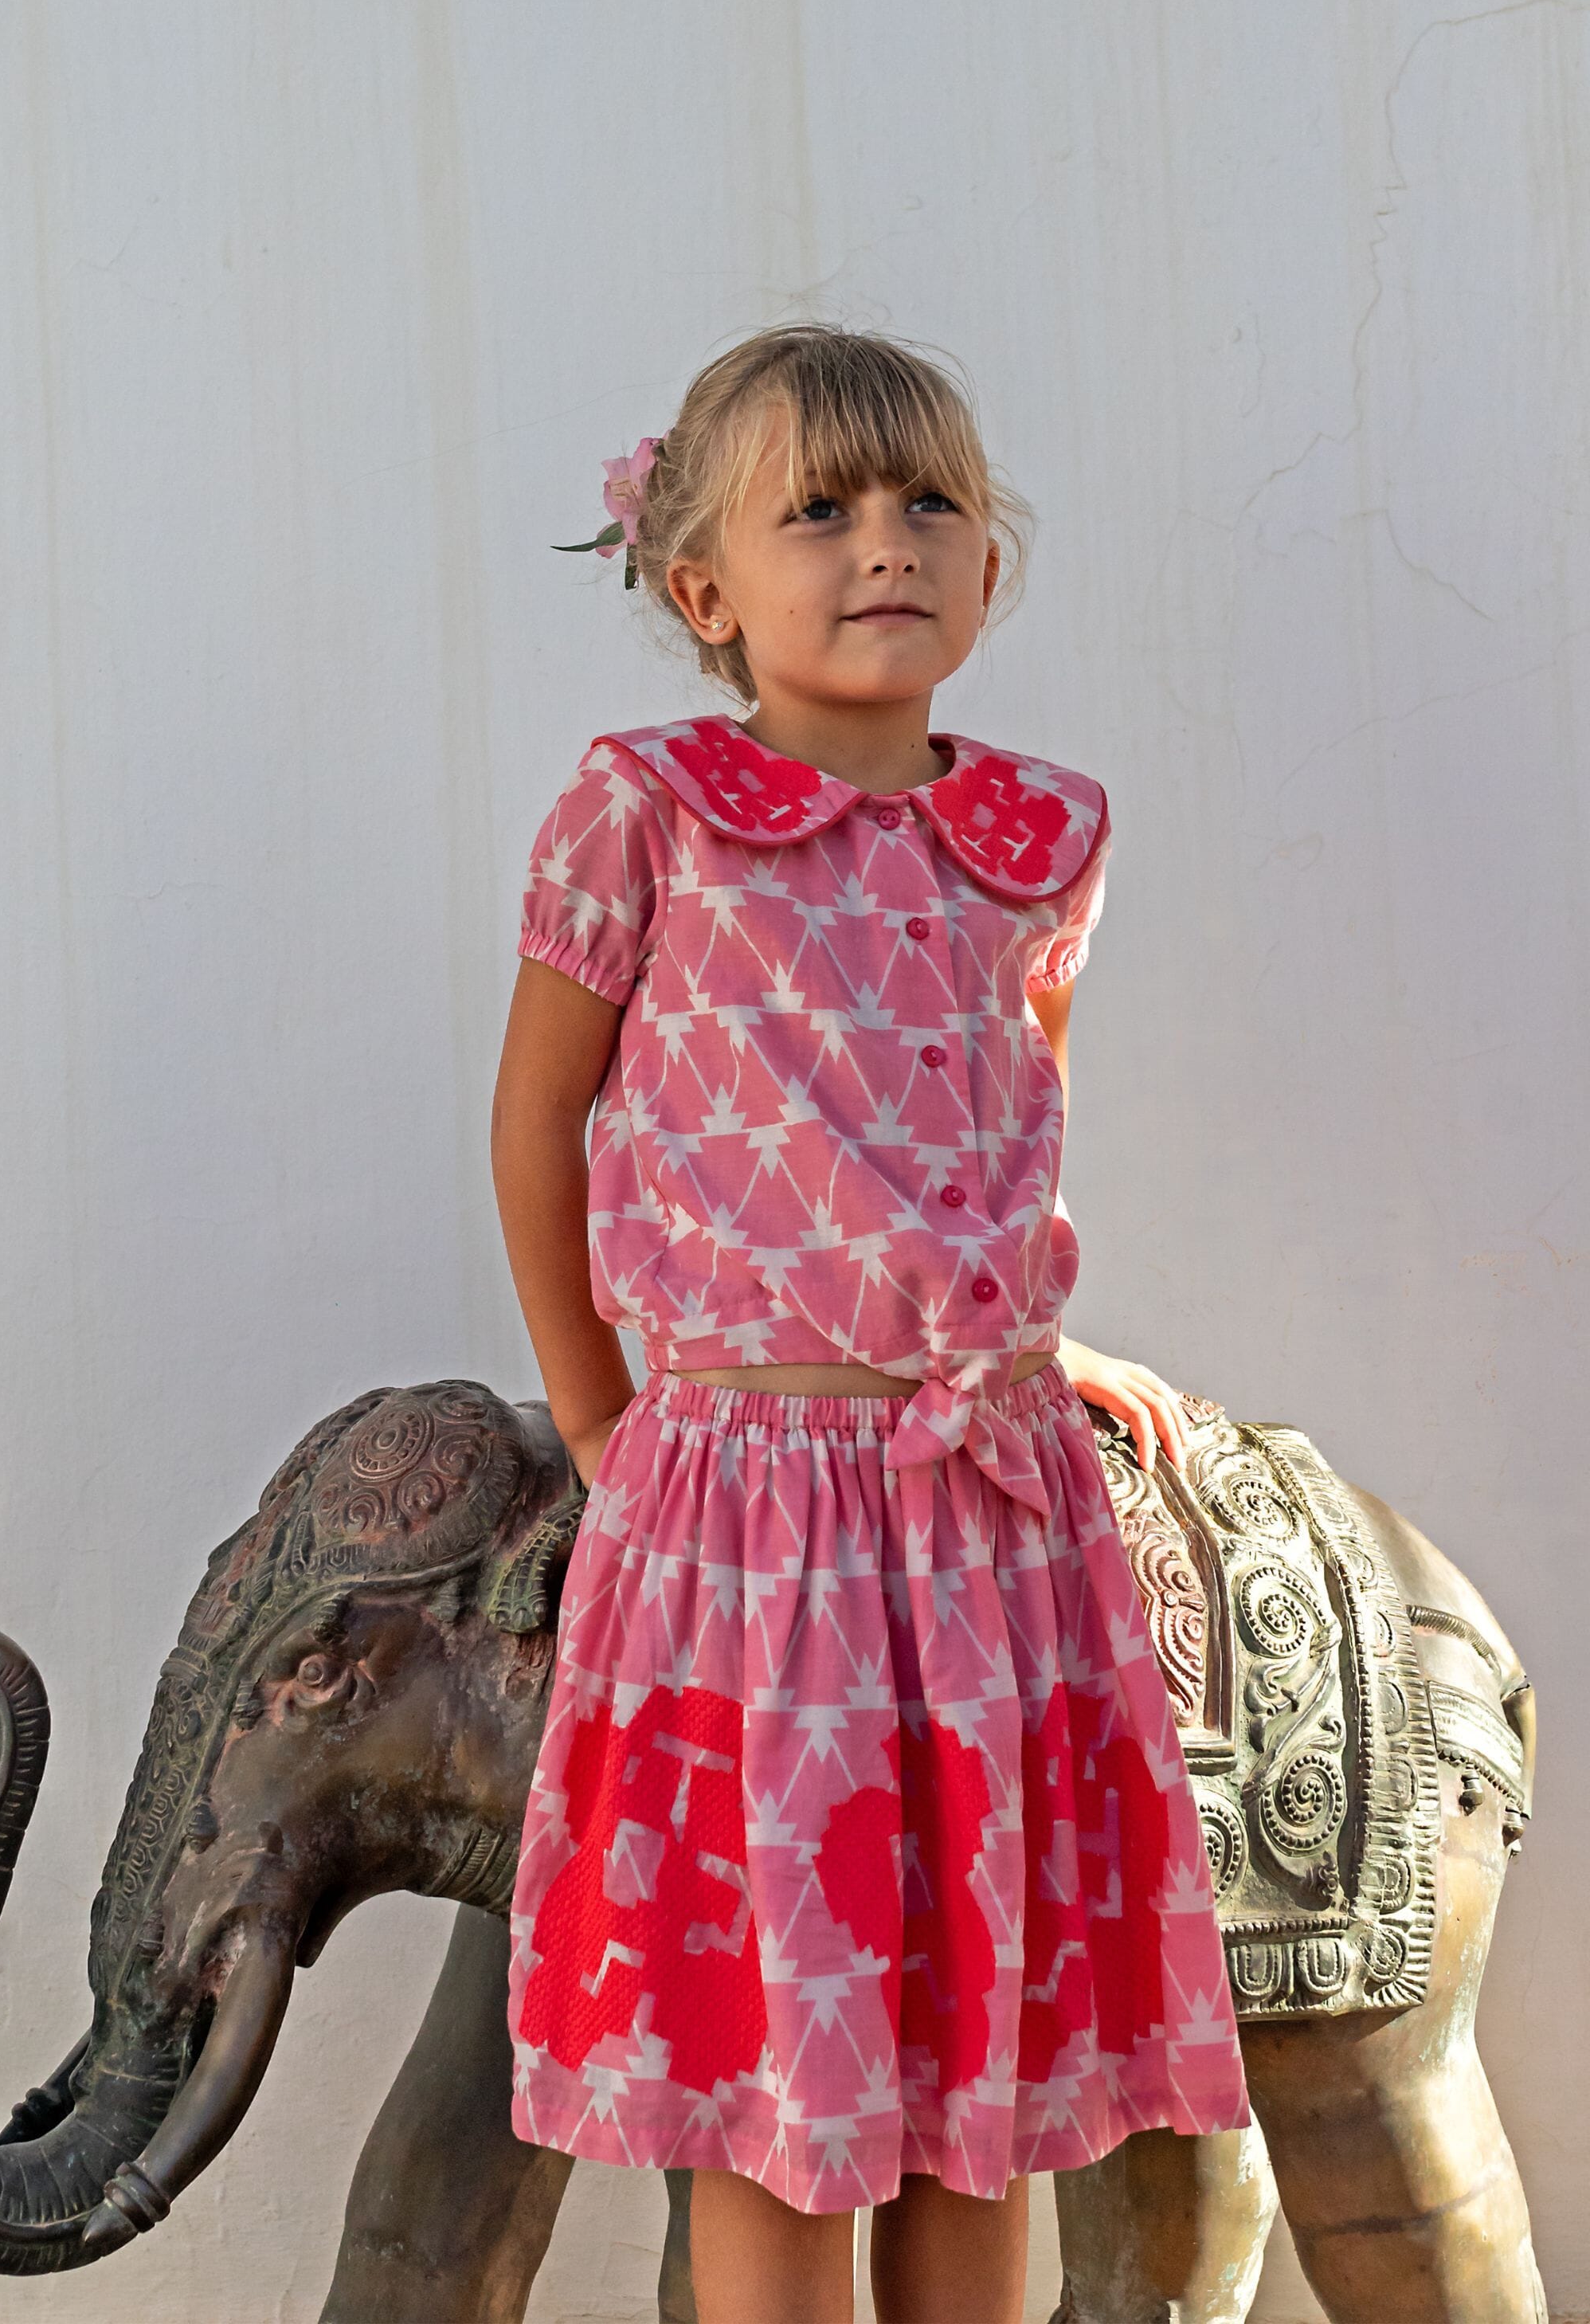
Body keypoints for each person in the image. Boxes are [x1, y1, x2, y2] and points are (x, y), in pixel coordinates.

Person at [491, 324, 1250, 2324]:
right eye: (816, 510)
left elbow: (1009, 1101)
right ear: (704, 590)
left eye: (931, 503)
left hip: (987, 1511)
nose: (884, 542)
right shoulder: (646, 813)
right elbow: (539, 1116)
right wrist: (597, 1413)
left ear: (989, 566)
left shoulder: (1039, 836)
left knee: (975, 2066)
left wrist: (1024, 1339)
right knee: (785, 2074)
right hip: (754, 1516)